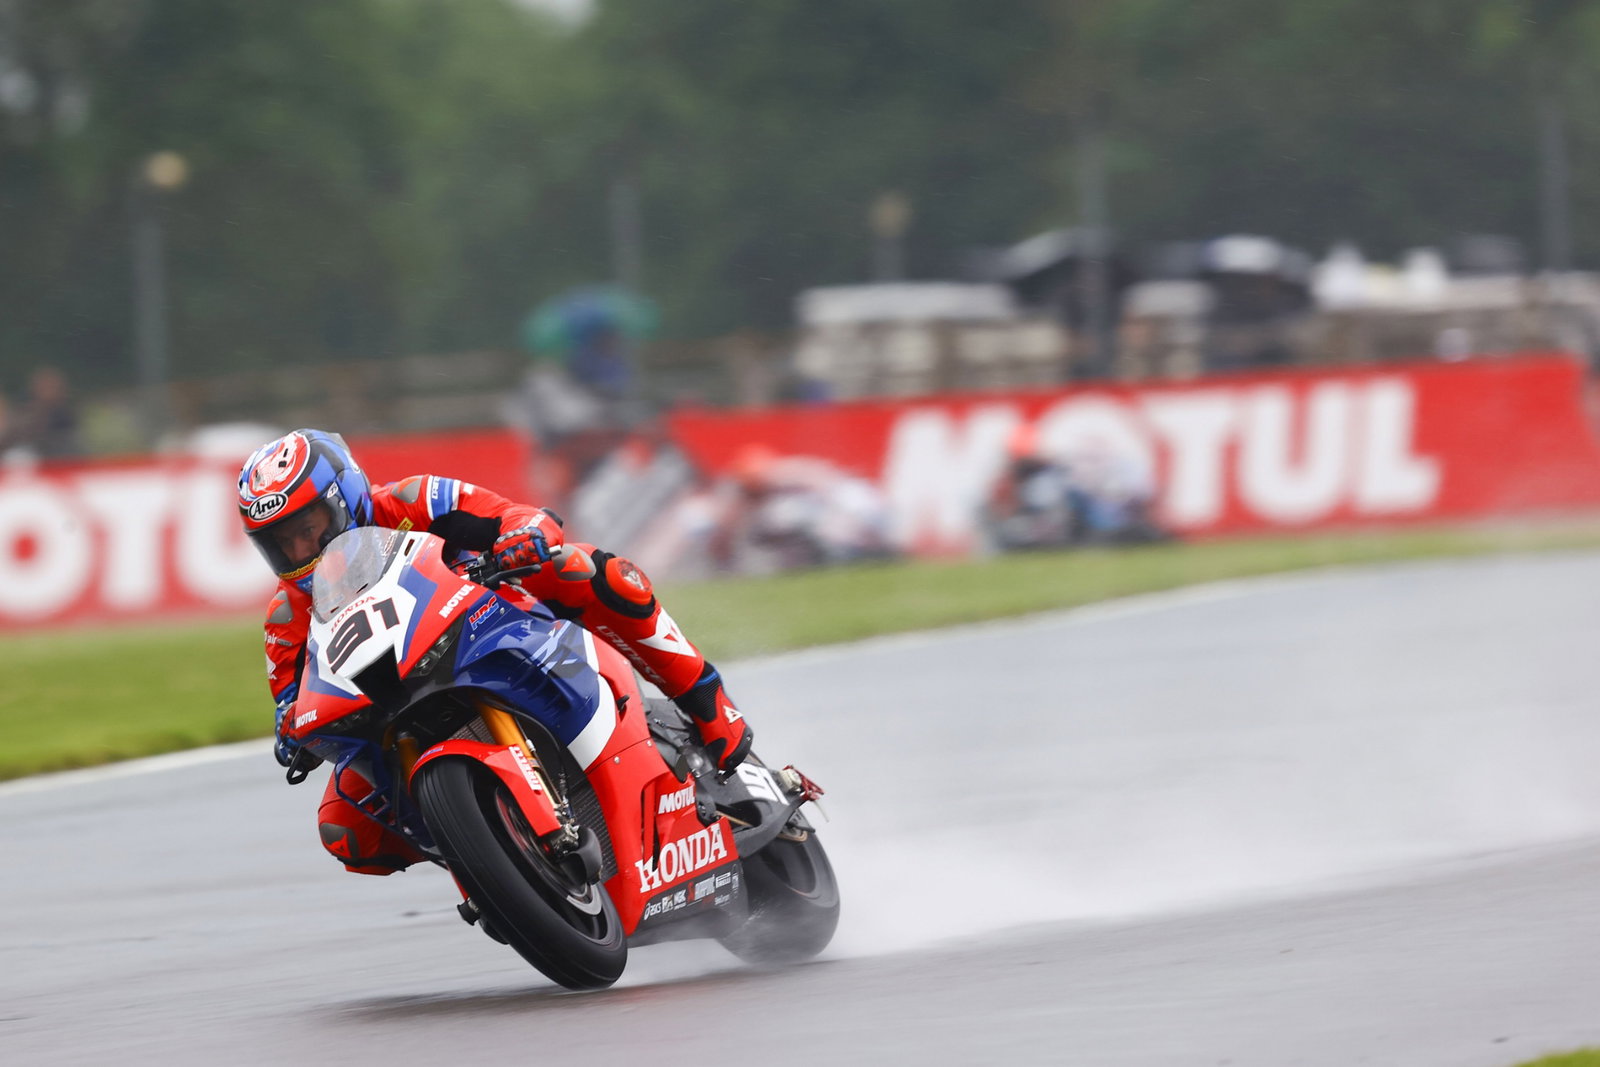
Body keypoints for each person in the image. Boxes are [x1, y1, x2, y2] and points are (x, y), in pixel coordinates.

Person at [237, 428, 752, 876]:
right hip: (391, 706)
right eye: (282, 543)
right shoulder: (286, 618)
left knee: (583, 568)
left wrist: (523, 537)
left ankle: (706, 700)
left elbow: (512, 516)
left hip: (493, 623)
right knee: (345, 827)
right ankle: (492, 862)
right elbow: (292, 704)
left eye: (309, 528)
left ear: (346, 497)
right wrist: (294, 734)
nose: (301, 551)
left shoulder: (415, 499)